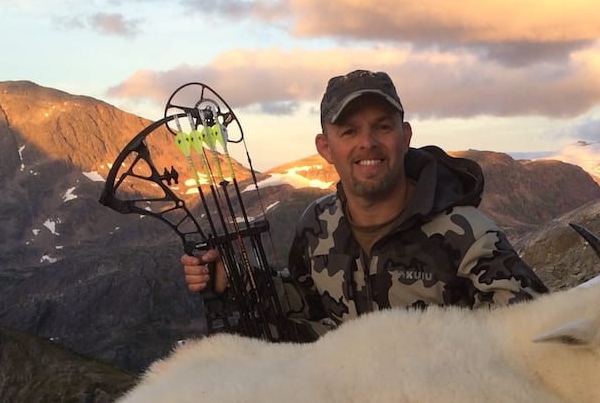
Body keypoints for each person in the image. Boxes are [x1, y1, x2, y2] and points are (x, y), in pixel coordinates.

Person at [182, 69, 547, 341]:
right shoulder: (317, 224)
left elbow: (534, 334)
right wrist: (236, 281)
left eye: (382, 127)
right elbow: (307, 307)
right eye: (349, 131)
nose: (367, 143)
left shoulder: (470, 236)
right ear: (326, 147)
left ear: (404, 137)